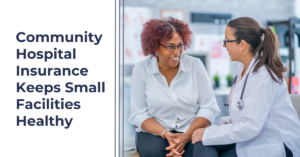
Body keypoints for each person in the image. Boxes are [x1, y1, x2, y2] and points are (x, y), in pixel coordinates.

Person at [192, 17, 300, 157]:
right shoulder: (242, 68)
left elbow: (251, 126)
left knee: (205, 141)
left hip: (276, 142)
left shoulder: (263, 75)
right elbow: (246, 114)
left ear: (242, 44)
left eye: (226, 40)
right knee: (201, 144)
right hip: (253, 135)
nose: (224, 46)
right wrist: (220, 125)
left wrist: (209, 133)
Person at [128, 17, 220, 157]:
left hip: (192, 129)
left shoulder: (195, 65)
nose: (177, 52)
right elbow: (138, 113)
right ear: (154, 47)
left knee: (201, 152)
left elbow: (209, 107)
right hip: (155, 132)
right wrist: (165, 133)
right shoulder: (141, 70)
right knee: (155, 153)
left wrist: (186, 136)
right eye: (170, 46)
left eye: (180, 45)